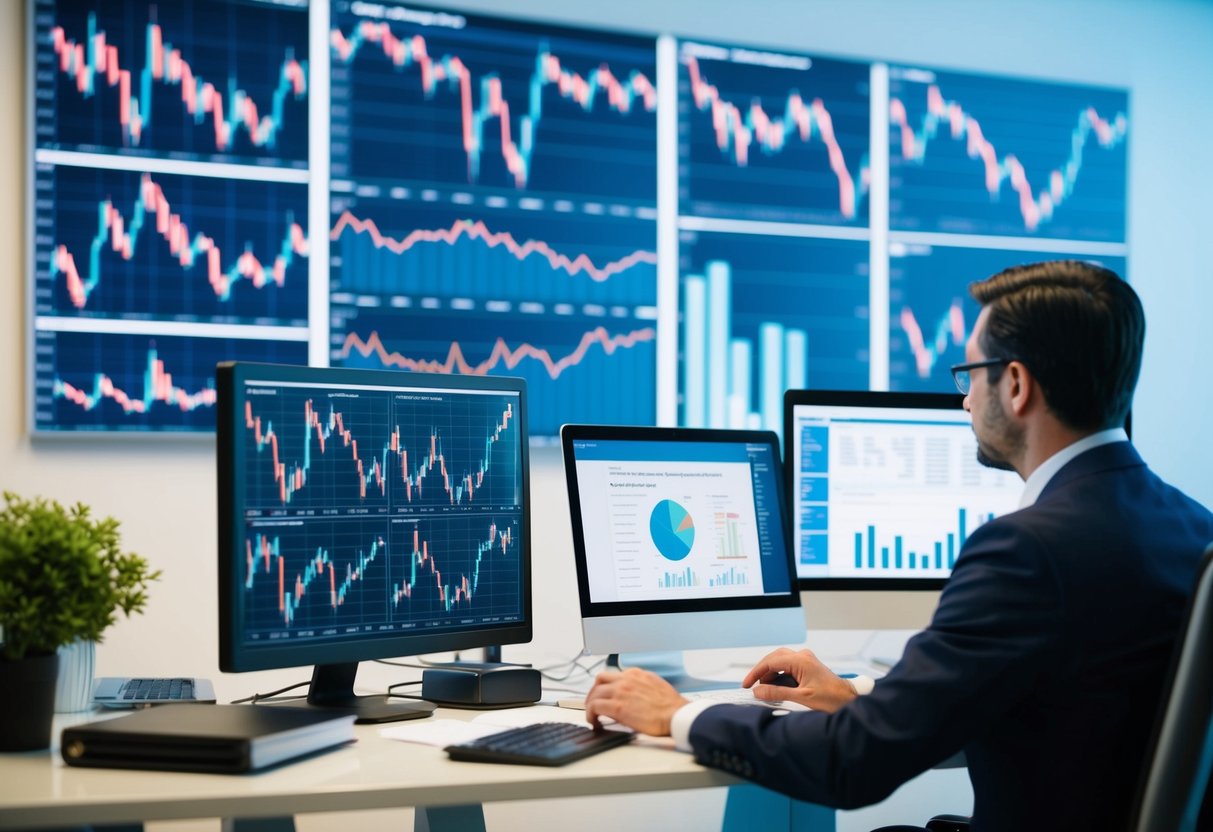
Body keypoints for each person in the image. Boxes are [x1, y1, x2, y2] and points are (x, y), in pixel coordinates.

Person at [584, 260, 1213, 831]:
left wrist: (677, 716)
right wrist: (859, 698)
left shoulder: (1024, 552)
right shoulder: (1194, 529)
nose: (964, 397)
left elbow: (851, 766)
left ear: (1016, 385)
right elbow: (1068, 709)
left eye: (970, 374)